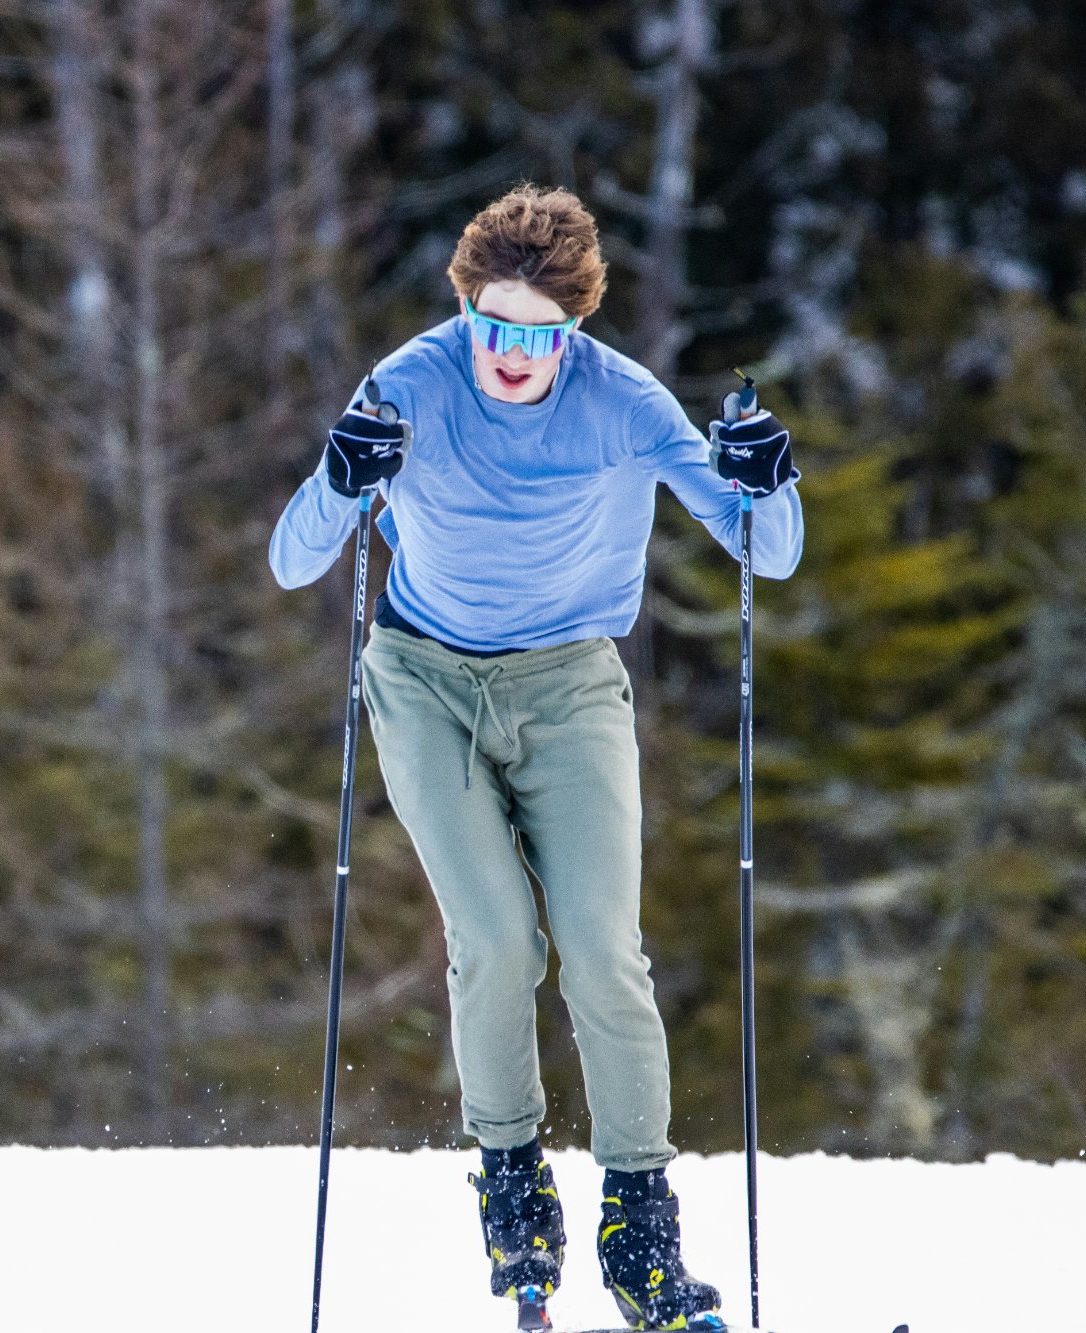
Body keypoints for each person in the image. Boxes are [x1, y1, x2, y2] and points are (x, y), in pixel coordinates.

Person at [269, 185, 802, 1331]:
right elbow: (291, 560)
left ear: (575, 323)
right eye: (492, 326)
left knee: (605, 954)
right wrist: (340, 475)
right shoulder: (410, 383)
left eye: (539, 332)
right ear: (465, 308)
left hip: (568, 686)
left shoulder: (622, 402)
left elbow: (768, 548)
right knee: (497, 943)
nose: (512, 356)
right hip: (423, 683)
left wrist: (770, 474)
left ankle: (639, 1236)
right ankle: (513, 1197)